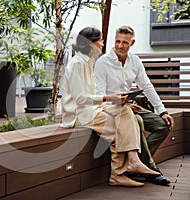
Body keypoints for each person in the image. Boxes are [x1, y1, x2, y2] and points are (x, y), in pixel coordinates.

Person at [60, 26, 160, 187]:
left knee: (125, 110)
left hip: (94, 108)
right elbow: (80, 99)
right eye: (100, 40)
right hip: (79, 114)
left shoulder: (88, 61)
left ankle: (133, 161)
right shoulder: (77, 64)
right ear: (90, 43)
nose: (103, 43)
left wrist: (115, 101)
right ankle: (117, 174)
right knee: (116, 128)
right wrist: (109, 98)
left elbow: (92, 94)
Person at [94, 25, 174, 186]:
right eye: (117, 41)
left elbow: (147, 86)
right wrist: (120, 104)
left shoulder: (135, 61)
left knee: (162, 125)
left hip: (130, 105)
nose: (119, 46)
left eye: (124, 42)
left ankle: (139, 164)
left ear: (132, 43)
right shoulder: (103, 63)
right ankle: (150, 168)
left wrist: (162, 110)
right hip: (111, 108)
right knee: (137, 122)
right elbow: (99, 95)